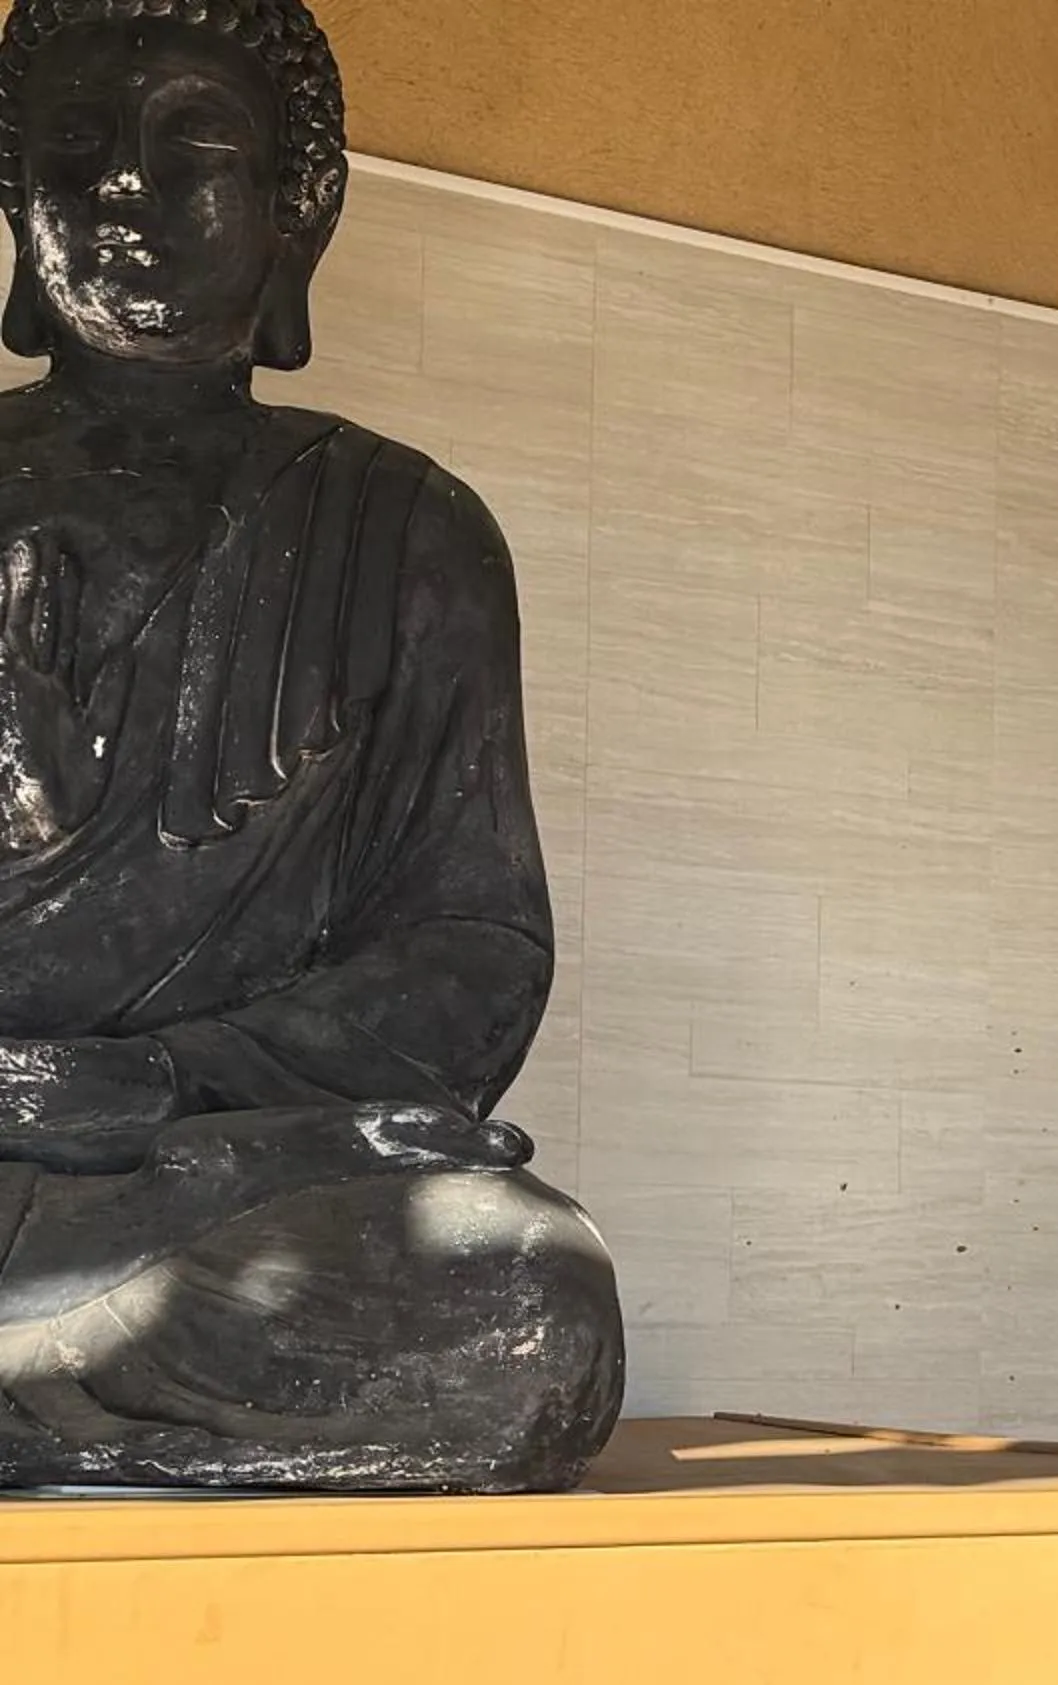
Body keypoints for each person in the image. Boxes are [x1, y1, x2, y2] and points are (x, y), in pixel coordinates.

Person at [0, 0, 623, 1490]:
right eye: (72, 145)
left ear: (300, 210)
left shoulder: (411, 531)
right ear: (15, 204)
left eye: (190, 141)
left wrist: (149, 1086)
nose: (125, 188)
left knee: (527, 1298)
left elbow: (472, 952)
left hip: (199, 1176)